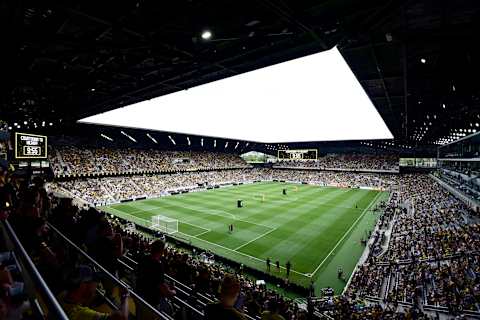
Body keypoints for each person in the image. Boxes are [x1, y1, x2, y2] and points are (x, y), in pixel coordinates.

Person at [59, 265, 128, 320]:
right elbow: (121, 317)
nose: (96, 287)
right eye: (94, 282)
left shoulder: (62, 295)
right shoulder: (80, 313)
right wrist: (124, 297)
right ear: (83, 285)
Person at [136, 240, 176, 314]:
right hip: (150, 300)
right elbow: (162, 286)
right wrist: (172, 292)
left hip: (140, 293)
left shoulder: (144, 258)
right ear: (161, 251)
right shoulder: (158, 265)